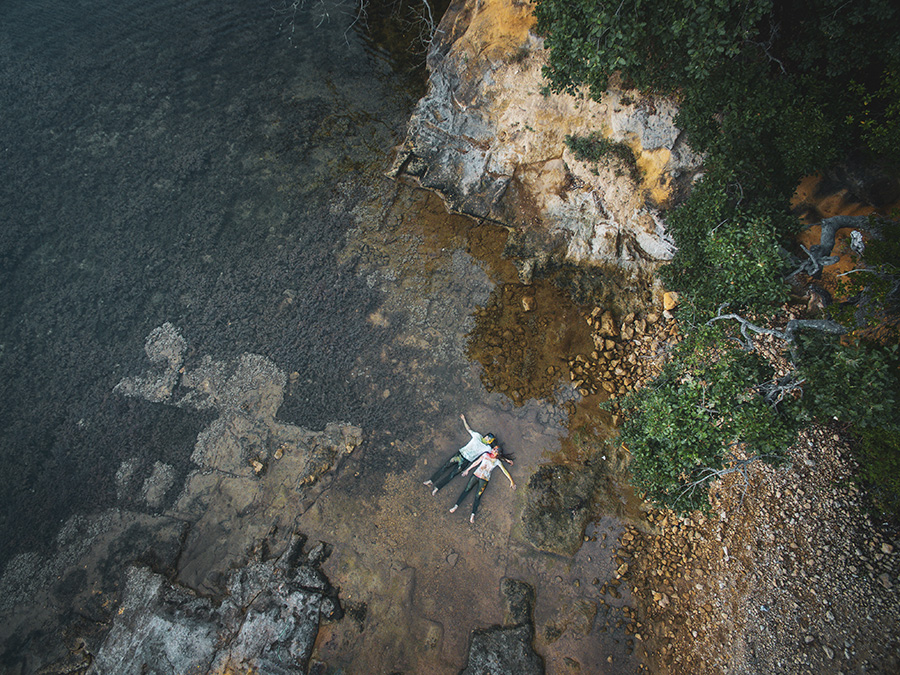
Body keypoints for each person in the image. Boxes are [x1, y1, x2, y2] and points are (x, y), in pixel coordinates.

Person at [424, 414, 495, 494]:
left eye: (490, 441)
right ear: (486, 437)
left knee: (452, 475)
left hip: (465, 461)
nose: (489, 441)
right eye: (489, 439)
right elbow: (469, 429)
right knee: (445, 466)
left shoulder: (487, 448)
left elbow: (495, 453)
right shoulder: (477, 436)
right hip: (460, 454)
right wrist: (464, 420)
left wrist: (504, 458)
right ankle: (431, 480)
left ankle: (437, 487)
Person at [449, 444, 516, 523]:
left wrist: (511, 481)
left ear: (498, 454)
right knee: (467, 490)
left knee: (478, 496)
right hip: (476, 475)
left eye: (496, 450)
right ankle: (456, 506)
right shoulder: (485, 455)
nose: (493, 450)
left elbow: (504, 471)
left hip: (484, 479)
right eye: (494, 449)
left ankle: (473, 514)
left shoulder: (497, 461)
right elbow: (476, 462)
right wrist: (467, 470)